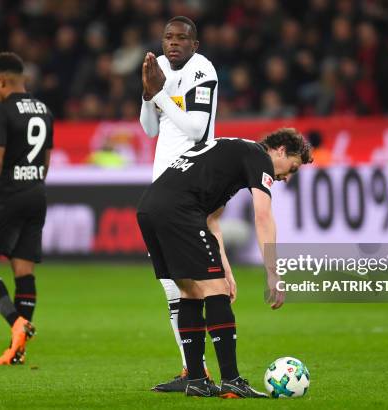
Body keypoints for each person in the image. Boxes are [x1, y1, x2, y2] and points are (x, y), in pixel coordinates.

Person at [137, 129, 312, 397]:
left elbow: (211, 221)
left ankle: (197, 380)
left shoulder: (232, 153)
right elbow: (263, 217)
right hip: (179, 210)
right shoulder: (258, 156)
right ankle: (231, 380)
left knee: (191, 291)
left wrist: (225, 270)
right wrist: (273, 273)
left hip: (150, 208)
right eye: (293, 167)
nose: (287, 177)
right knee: (215, 291)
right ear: (280, 150)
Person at [139, 16, 219, 392]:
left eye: (181, 38)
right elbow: (151, 129)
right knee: (173, 285)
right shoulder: (159, 69)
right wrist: (146, 94)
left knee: (194, 283)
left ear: (195, 44)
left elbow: (197, 130)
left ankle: (207, 372)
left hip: (189, 185)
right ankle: (193, 371)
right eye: (168, 37)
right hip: (163, 185)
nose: (173, 43)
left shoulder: (202, 70)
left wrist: (159, 96)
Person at [0, 52, 54, 365]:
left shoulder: (0, 111)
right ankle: (18, 350)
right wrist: (33, 185)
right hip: (36, 194)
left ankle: (16, 323)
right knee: (24, 270)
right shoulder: (44, 110)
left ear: (0, 81)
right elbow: (45, 160)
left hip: (6, 196)